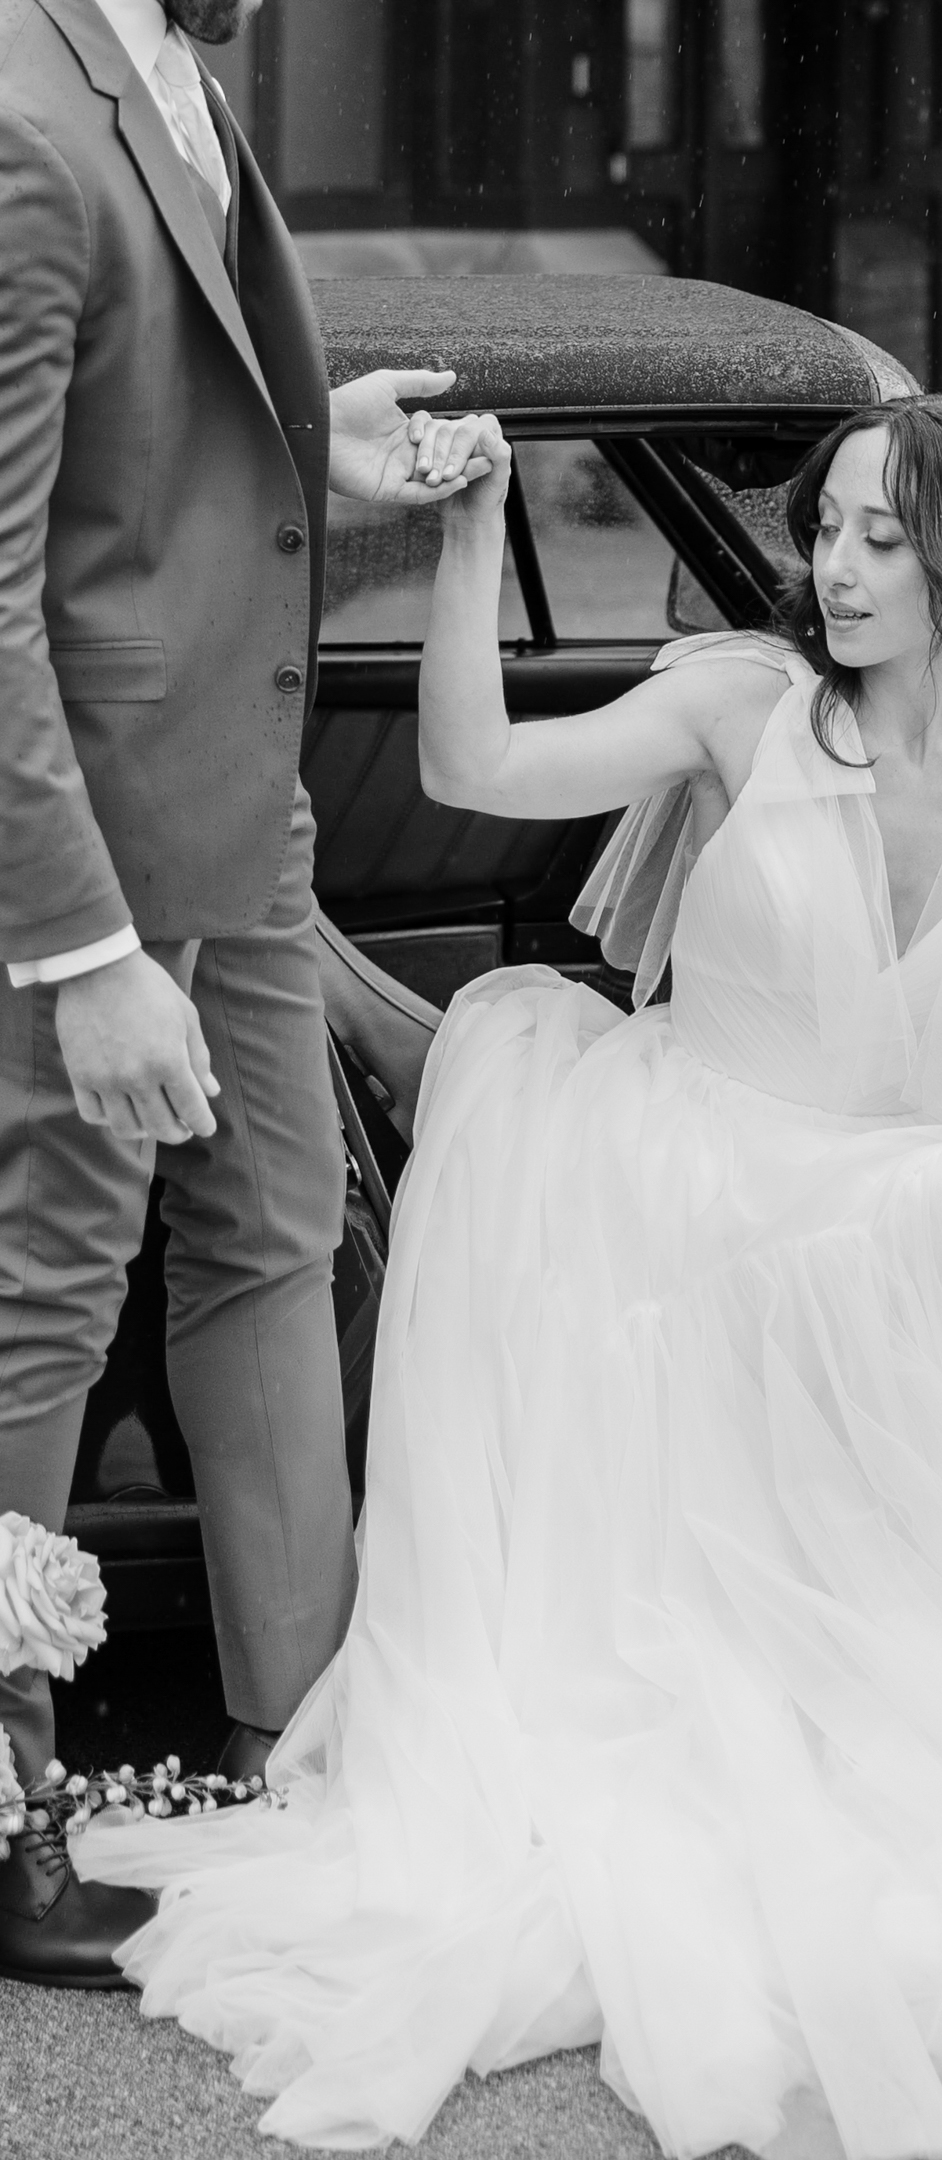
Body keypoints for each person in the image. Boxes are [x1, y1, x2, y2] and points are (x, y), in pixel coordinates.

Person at [82, 394, 942, 2156]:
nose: (838, 568)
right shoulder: (745, 705)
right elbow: (473, 775)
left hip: (931, 1180)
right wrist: (476, 532)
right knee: (906, 1296)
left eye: (885, 538)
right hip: (685, 1176)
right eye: (828, 529)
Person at [0, 0, 488, 1986]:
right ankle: (7, 1805)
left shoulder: (182, 76)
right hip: (97, 853)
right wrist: (81, 950)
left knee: (281, 1227)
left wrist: (319, 440)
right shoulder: (22, 118)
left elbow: (149, 455)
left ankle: (298, 1744)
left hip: (248, 808)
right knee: (40, 1303)